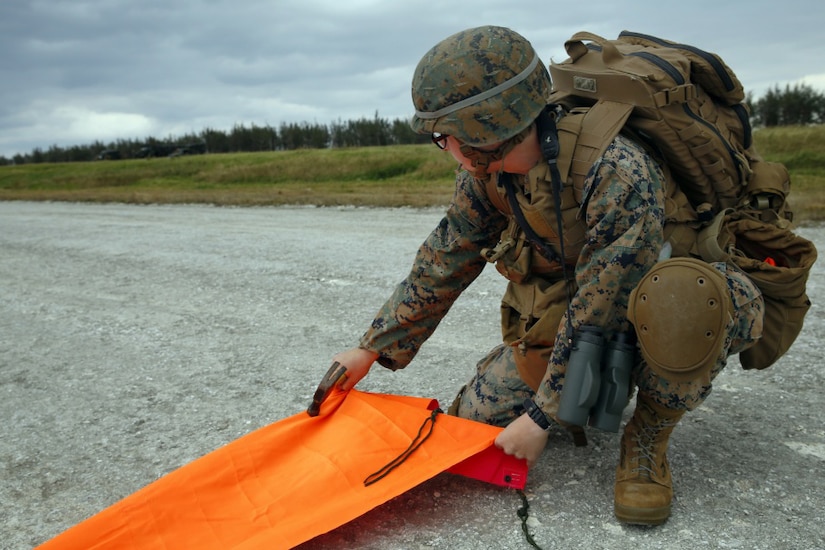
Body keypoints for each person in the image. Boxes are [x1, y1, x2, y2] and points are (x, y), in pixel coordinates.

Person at [320, 25, 764, 525]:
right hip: (580, 304)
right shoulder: (486, 175)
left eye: (446, 136)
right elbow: (447, 255)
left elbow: (605, 302)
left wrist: (542, 414)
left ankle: (647, 437)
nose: (445, 147)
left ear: (488, 128)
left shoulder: (615, 169)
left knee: (682, 302)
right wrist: (374, 346)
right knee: (474, 427)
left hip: (666, 294)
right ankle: (554, 382)